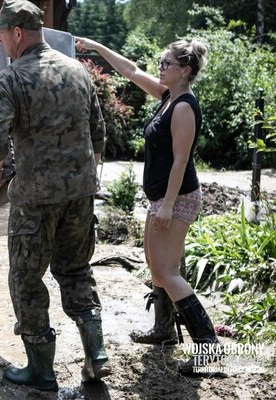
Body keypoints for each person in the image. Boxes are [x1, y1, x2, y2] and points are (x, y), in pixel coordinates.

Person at [0, 0, 111, 391]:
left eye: (2, 33)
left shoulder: (11, 78)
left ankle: (41, 370)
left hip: (35, 198)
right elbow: (97, 131)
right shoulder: (77, 71)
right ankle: (96, 354)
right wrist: (83, 174)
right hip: (81, 192)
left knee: (26, 278)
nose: (0, 40)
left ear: (17, 33)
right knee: (75, 269)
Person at [75, 36, 217, 375]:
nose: (160, 66)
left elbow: (181, 161)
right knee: (157, 267)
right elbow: (131, 69)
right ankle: (165, 329)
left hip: (177, 197)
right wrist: (96, 47)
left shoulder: (183, 106)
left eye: (167, 63)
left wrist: (167, 205)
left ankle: (208, 347)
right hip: (163, 198)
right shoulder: (169, 96)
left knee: (167, 272)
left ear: (185, 71)